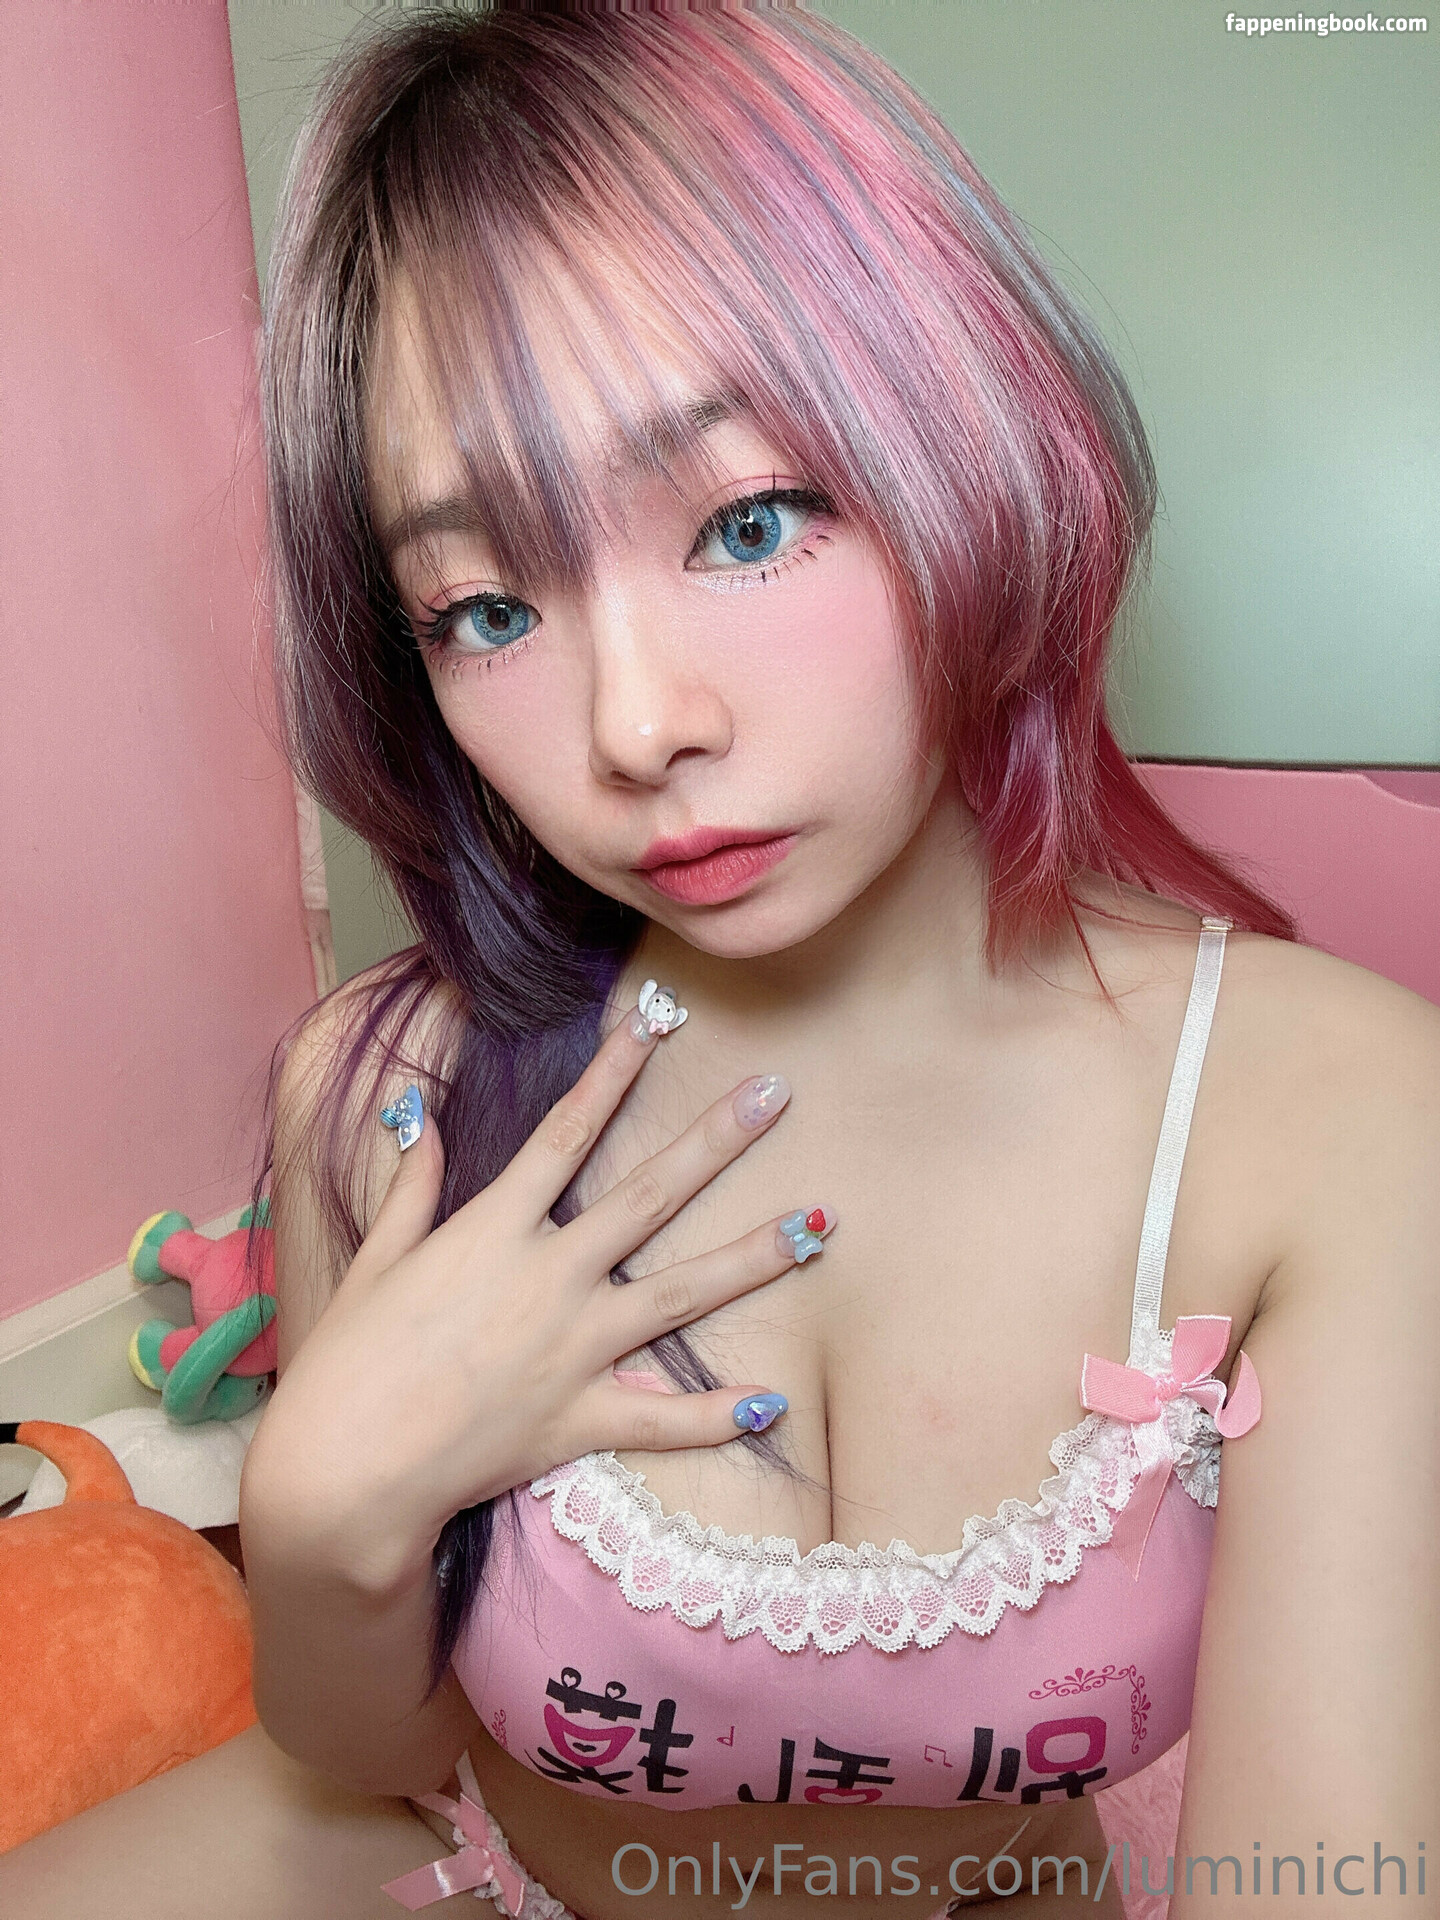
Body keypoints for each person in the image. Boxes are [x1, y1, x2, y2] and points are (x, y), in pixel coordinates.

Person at [2, 6, 1433, 1919]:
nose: (634, 726)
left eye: (749, 524)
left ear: (977, 442)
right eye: (483, 607)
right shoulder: (389, 1090)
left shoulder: (1336, 1116)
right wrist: (328, 1513)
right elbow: (371, 1751)